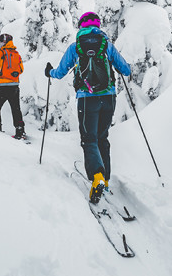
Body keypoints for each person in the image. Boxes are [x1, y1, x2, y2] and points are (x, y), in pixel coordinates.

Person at [45, 11, 131, 203]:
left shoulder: (76, 47)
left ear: (81, 25)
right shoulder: (106, 45)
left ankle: (97, 176)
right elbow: (126, 69)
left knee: (89, 139)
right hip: (108, 98)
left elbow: (60, 72)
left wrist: (49, 72)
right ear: (97, 25)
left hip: (87, 99)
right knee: (102, 137)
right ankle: (105, 180)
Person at [0, 33, 26, 140]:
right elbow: (21, 69)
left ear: (4, 42)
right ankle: (20, 131)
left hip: (2, 86)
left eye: (0, 41)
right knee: (16, 109)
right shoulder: (16, 54)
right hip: (14, 86)